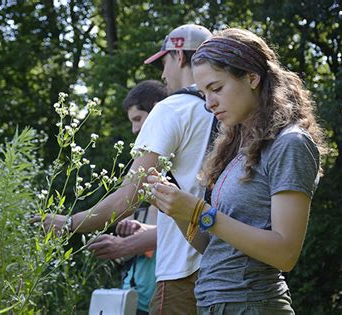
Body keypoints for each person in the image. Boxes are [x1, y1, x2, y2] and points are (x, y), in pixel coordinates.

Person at [33, 24, 213, 314]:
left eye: (164, 62)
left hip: (184, 271)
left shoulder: (170, 109)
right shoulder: (225, 108)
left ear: (178, 55)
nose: (163, 75)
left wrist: (68, 223)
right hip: (231, 267)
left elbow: (126, 199)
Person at [147, 28, 327, 314]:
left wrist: (199, 212)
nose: (209, 103)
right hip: (214, 304)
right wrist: (178, 210)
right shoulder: (238, 150)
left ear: (252, 77)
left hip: (253, 305)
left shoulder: (290, 143)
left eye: (216, 88)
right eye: (203, 93)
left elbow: (285, 253)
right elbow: (213, 246)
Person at [88, 80, 168, 315]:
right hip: (133, 294)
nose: (134, 129)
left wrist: (123, 244)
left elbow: (167, 235)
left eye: (138, 119)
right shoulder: (148, 171)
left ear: (157, 110)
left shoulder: (170, 170)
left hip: (159, 296)